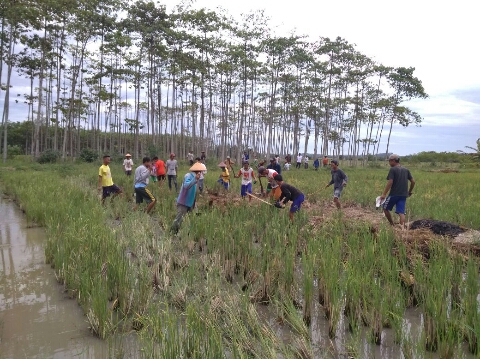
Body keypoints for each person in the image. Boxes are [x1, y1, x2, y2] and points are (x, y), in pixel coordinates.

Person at [380, 154, 415, 228]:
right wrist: (409, 192)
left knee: (385, 208)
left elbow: (390, 182)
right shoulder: (406, 170)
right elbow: (413, 181)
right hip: (403, 195)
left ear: (393, 161)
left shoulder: (393, 169)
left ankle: (392, 224)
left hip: (394, 194)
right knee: (401, 212)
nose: (389, 163)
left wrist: (384, 194)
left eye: (389, 161)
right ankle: (402, 229)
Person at [170, 162, 206, 234]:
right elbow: (186, 186)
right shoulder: (188, 176)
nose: (202, 173)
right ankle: (172, 233)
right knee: (179, 219)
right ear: (198, 171)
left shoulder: (197, 178)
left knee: (194, 217)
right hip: (184, 202)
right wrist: (195, 179)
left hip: (191, 202)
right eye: (201, 171)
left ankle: (188, 233)